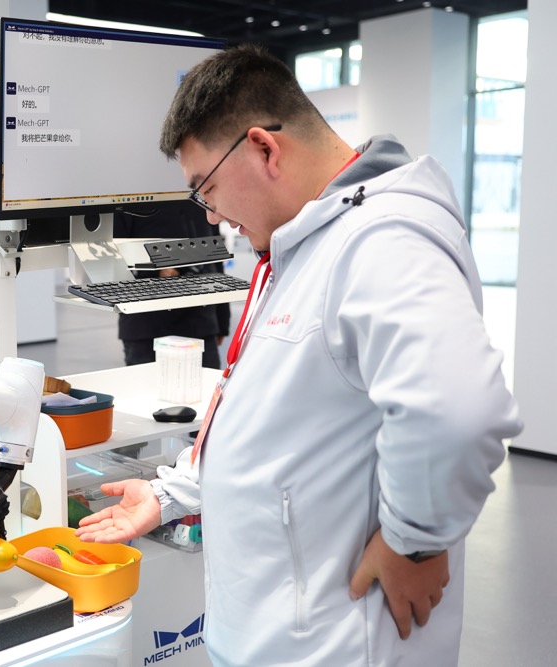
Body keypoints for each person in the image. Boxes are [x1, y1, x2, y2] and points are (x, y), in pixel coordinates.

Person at [75, 43, 522, 666]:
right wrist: (172, 493)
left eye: (206, 188)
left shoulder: (381, 240)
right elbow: (269, 416)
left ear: (264, 148)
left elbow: (459, 411)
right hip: (273, 632)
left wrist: (415, 544)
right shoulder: (303, 244)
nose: (213, 216)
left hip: (337, 645)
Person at [114, 206, 231, 369]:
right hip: (146, 324)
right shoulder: (129, 201)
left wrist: (222, 321)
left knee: (208, 383)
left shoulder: (198, 199)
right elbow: (112, 256)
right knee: (146, 384)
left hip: (200, 322)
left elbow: (215, 258)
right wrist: (154, 271)